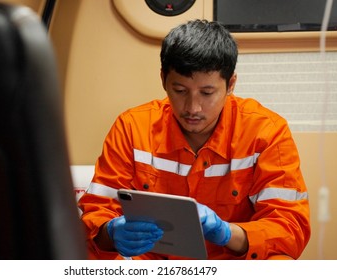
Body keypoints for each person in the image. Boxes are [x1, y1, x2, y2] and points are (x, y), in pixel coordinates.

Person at [78, 19, 311, 260]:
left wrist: (227, 233)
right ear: (163, 80)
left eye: (207, 93)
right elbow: (96, 214)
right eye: (180, 91)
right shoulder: (132, 127)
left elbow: (289, 227)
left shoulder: (266, 132)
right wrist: (111, 233)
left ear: (230, 84)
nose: (193, 107)